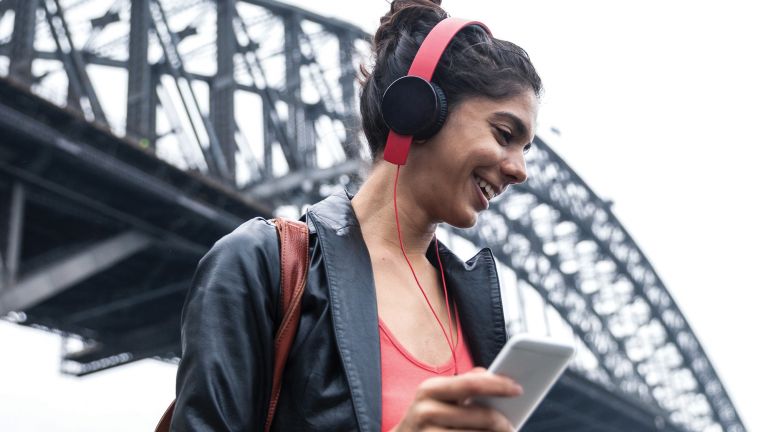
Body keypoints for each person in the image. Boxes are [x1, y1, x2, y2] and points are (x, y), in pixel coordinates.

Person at [170, 0, 542, 430]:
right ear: (419, 110)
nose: (519, 171)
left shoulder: (471, 308)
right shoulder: (260, 265)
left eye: (525, 149)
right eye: (504, 135)